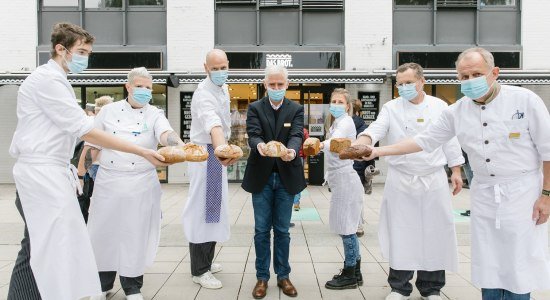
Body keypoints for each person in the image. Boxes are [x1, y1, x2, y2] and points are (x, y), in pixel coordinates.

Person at [360, 48, 550, 300]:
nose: (470, 81)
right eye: (463, 76)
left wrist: (546, 194)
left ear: (494, 73)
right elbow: (423, 140)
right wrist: (374, 150)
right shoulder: (457, 110)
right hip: (483, 192)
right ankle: (404, 285)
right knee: (488, 260)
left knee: (517, 259)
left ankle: (438, 287)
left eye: (476, 74)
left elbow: (547, 149)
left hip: (522, 191)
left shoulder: (525, 100)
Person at [7, 22, 167, 300]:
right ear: (61, 48)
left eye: (88, 52)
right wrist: (140, 150)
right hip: (41, 173)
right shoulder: (48, 80)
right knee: (44, 246)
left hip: (49, 172)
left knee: (39, 245)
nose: (85, 57)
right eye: (81, 50)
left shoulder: (57, 80)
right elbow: (86, 131)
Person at [356, 63, 464, 300]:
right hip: (401, 178)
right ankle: (399, 286)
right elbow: (376, 129)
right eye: (400, 83)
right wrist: (363, 141)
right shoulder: (391, 107)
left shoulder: (439, 106)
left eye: (408, 82)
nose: (403, 87)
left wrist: (456, 170)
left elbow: (450, 141)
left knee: (434, 231)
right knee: (401, 231)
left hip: (433, 176)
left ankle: (431, 287)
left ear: (421, 81)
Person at [87, 67, 182, 300]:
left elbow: (165, 134)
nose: (145, 91)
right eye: (140, 86)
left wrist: (179, 144)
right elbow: (93, 142)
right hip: (109, 180)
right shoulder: (108, 111)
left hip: (141, 181)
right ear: (128, 87)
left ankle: (132, 287)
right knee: (103, 234)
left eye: (148, 88)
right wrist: (81, 174)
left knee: (135, 234)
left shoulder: (154, 113)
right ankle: (102, 285)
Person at [241, 65, 306, 299]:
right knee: (261, 230)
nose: (276, 88)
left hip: (287, 175)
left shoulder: (296, 108)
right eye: (272, 84)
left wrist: (292, 150)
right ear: (265, 84)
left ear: (287, 85)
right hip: (262, 176)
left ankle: (283, 276)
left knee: (282, 231)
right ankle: (262, 278)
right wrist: (259, 146)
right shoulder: (255, 107)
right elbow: (254, 133)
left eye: (280, 84)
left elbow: (297, 134)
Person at [181, 49, 239, 290]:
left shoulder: (223, 88)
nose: (219, 72)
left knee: (215, 209)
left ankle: (206, 261)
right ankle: (199, 270)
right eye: (214, 69)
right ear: (205, 68)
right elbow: (213, 124)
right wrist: (222, 151)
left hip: (215, 152)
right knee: (203, 210)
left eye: (222, 67)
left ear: (228, 65)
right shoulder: (203, 93)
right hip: (207, 153)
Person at [318, 88, 364, 290]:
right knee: (349, 227)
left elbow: (336, 143)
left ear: (347, 105)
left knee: (346, 228)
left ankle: (349, 274)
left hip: (346, 179)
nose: (335, 105)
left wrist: (320, 144)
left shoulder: (345, 122)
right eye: (333, 101)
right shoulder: (337, 122)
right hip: (341, 180)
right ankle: (357, 271)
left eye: (340, 102)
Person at [77, 95, 113, 222]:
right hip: (100, 166)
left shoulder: (93, 121)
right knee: (106, 198)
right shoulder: (100, 124)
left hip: (95, 166)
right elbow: (91, 149)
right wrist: (80, 176)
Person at [293, 127, 309, 211]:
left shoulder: (288, 127)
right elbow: (307, 145)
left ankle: (290, 200)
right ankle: (296, 202)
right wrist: (305, 156)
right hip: (300, 157)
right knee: (298, 179)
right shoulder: (304, 131)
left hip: (288, 156)